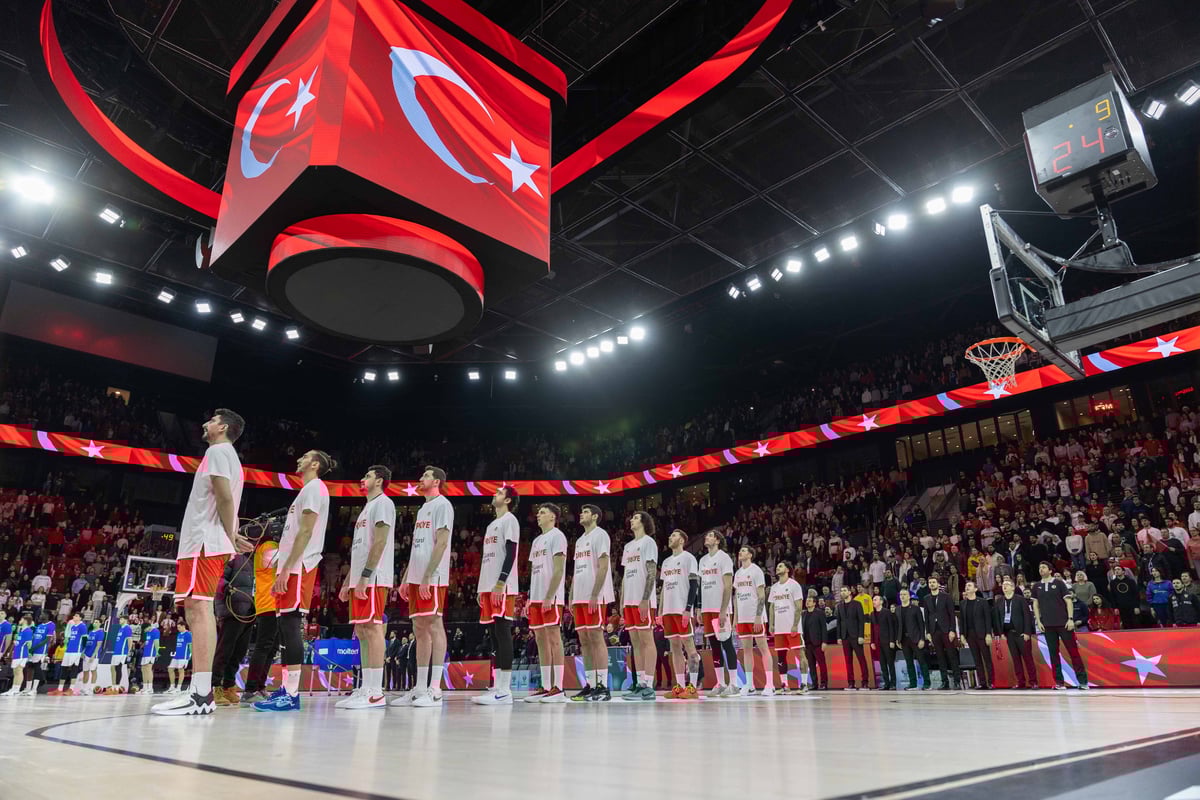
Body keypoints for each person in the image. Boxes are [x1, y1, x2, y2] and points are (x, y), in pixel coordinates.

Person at [153, 409, 252, 716]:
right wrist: (231, 533)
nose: (205, 423)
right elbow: (224, 499)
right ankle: (200, 691)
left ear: (223, 427)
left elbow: (224, 497)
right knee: (196, 608)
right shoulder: (227, 455)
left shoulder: (219, 452)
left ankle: (200, 693)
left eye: (211, 420)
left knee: (199, 607)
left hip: (204, 541)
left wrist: (229, 533)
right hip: (207, 540)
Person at [256, 450, 333, 713]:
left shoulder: (315, 488)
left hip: (299, 567)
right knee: (283, 626)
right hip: (290, 566)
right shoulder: (305, 491)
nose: (299, 459)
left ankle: (291, 693)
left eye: (305, 456)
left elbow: (307, 531)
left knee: (290, 624)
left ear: (315, 464)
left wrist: (288, 568)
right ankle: (286, 688)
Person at [338, 465, 396, 710]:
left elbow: (380, 542)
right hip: (359, 579)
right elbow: (359, 550)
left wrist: (365, 576)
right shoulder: (366, 508)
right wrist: (348, 581)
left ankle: (375, 691)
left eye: (368, 476)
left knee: (372, 629)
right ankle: (364, 687)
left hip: (373, 578)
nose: (362, 479)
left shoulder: (383, 503)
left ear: (379, 481)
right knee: (361, 631)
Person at [396, 466, 454, 708]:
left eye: (426, 476)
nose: (420, 479)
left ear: (437, 481)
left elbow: (441, 543)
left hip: (433, 576)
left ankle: (435, 688)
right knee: (418, 627)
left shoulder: (443, 505)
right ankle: (420, 687)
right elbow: (417, 547)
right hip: (416, 577)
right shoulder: (422, 509)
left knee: (434, 624)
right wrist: (406, 578)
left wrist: (428, 575)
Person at [472, 485, 521, 705]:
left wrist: (501, 582)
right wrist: (481, 587)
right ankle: (497, 686)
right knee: (493, 635)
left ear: (508, 500)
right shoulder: (492, 524)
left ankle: (505, 689)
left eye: (500, 493)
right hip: (487, 586)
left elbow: (511, 553)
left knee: (502, 632)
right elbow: (488, 559)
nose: (494, 494)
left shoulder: (510, 520)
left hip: (501, 586)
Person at [567, 504, 614, 702]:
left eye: (585, 512)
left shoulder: (600, 535)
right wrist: (571, 595)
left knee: (596, 636)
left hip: (595, 595)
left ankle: (603, 686)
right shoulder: (579, 541)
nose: (581, 514)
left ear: (595, 516)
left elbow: (603, 566)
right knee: (584, 640)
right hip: (579, 595)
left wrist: (595, 593)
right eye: (581, 511)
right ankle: (590, 684)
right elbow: (577, 570)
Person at [524, 503, 568, 703]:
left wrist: (550, 596)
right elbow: (534, 572)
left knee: (553, 637)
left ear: (553, 516)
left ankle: (558, 687)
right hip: (536, 596)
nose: (538, 515)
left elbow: (558, 570)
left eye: (542, 512)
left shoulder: (557, 536)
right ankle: (546, 685)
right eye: (538, 512)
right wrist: (530, 597)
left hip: (551, 596)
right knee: (540, 639)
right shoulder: (536, 541)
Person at [619, 511, 659, 702]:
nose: (631, 520)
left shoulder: (648, 542)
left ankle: (649, 686)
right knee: (635, 642)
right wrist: (622, 600)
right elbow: (625, 575)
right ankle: (640, 683)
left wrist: (645, 598)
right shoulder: (628, 546)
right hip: (629, 600)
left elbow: (652, 572)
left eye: (635, 517)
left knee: (646, 640)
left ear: (644, 522)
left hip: (643, 600)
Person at [1032, 561, 1089, 690]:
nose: (1041, 569)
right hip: (1047, 625)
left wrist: (1070, 619)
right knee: (1053, 654)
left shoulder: (1059, 583)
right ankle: (1059, 682)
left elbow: (1068, 601)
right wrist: (1038, 621)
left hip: (1064, 623)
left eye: (1044, 567)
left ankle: (1083, 682)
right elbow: (1035, 604)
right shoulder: (1036, 586)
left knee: (1073, 652)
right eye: (1039, 567)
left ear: (1050, 570)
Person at [698, 529, 740, 697]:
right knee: (714, 646)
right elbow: (701, 586)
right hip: (707, 609)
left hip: (720, 608)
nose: (706, 537)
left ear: (717, 540)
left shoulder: (724, 558)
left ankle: (734, 684)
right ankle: (721, 683)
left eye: (709, 535)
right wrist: (699, 608)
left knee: (727, 644)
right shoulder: (702, 560)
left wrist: (723, 610)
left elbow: (728, 586)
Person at [659, 529, 701, 699]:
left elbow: (694, 584)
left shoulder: (689, 558)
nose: (670, 537)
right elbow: (664, 589)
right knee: (674, 648)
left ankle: (692, 687)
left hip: (682, 609)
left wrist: (688, 608)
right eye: (670, 535)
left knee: (690, 647)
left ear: (682, 540)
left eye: (674, 535)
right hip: (668, 611)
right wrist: (660, 611)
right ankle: (680, 686)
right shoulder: (666, 562)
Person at [241, 536, 281, 706]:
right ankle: (250, 690)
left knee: (271, 648)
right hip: (269, 602)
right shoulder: (269, 546)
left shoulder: (268, 546)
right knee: (264, 647)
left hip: (274, 603)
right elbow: (281, 563)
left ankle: (260, 686)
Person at [734, 546, 775, 697]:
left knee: (763, 648)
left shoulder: (756, 571)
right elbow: (736, 597)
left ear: (750, 555)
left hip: (755, 616)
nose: (740, 552)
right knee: (746, 650)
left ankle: (770, 684)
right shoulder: (738, 573)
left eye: (744, 551)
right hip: (742, 618)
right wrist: (735, 618)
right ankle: (750, 685)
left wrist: (758, 616)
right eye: (740, 551)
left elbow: (761, 595)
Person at [769, 561, 805, 693]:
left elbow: (799, 607)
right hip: (779, 628)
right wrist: (771, 624)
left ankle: (804, 684)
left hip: (792, 627)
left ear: (788, 569)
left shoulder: (794, 585)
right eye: (777, 566)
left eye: (780, 566)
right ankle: (784, 685)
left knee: (800, 654)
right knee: (781, 656)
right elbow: (772, 606)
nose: (777, 568)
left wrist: (795, 625)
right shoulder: (774, 587)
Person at [921, 575, 960, 690]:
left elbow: (952, 614)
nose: (932, 584)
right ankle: (944, 682)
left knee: (952, 655)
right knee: (940, 657)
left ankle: (957, 681)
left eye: (934, 582)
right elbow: (926, 616)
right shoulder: (926, 598)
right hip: (934, 631)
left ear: (938, 584)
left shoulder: (946, 597)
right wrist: (928, 632)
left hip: (946, 630)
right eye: (930, 582)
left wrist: (952, 630)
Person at [959, 581, 995, 690]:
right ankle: (982, 682)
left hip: (982, 633)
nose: (967, 587)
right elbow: (962, 620)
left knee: (987, 658)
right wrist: (962, 634)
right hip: (970, 634)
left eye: (969, 586)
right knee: (977, 659)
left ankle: (991, 682)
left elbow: (987, 618)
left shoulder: (982, 602)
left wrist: (988, 633)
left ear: (975, 589)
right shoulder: (963, 603)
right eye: (966, 586)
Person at [895, 589, 930, 690]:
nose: (902, 596)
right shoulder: (898, 609)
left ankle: (927, 683)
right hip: (904, 639)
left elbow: (921, 624)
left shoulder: (915, 608)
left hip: (916, 638)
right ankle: (913, 683)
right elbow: (897, 625)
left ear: (909, 596)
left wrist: (922, 639)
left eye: (904, 594)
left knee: (921, 661)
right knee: (909, 662)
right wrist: (898, 639)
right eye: (901, 594)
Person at [837, 586, 869, 690]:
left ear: (849, 592)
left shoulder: (857, 604)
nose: (842, 592)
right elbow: (839, 622)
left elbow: (861, 620)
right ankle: (851, 682)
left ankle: (865, 682)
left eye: (844, 590)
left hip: (856, 636)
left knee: (861, 659)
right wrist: (839, 637)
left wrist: (861, 635)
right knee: (848, 661)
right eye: (841, 591)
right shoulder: (839, 606)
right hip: (845, 636)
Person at [53, 613, 87, 695]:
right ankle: (59, 689)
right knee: (64, 668)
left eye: (76, 616)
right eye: (74, 616)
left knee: (73, 669)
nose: (74, 617)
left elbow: (85, 639)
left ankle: (71, 689)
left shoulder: (82, 626)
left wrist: (83, 651)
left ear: (80, 618)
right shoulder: (73, 627)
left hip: (76, 651)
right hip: (69, 650)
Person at [800, 595, 829, 690]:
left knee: (822, 664)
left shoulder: (819, 613)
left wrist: (824, 641)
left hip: (818, 643)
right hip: (807, 644)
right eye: (807, 600)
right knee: (811, 666)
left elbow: (824, 628)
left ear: (814, 603)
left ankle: (824, 683)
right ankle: (814, 683)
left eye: (809, 600)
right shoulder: (803, 614)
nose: (807, 602)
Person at [2, 615, 34, 696]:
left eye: (21, 619)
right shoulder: (21, 630)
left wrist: (27, 648)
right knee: (15, 671)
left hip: (22, 654)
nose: (19, 620)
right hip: (17, 653)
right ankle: (13, 688)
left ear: (25, 620)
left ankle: (16, 689)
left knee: (19, 671)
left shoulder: (28, 631)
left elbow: (29, 644)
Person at [871, 595, 898, 691]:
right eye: (873, 600)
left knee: (890, 663)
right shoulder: (872, 614)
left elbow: (891, 627)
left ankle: (893, 683)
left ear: (881, 602)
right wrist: (872, 642)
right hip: (877, 642)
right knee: (882, 664)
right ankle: (886, 683)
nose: (873, 601)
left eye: (875, 600)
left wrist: (892, 640)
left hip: (887, 641)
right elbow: (872, 629)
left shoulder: (887, 612)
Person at [79, 619, 105, 695]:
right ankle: (84, 688)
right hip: (86, 654)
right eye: (94, 622)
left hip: (94, 655)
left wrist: (93, 655)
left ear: (100, 623)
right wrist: (83, 652)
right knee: (85, 671)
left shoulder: (100, 632)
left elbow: (98, 645)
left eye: (97, 622)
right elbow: (87, 644)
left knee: (93, 671)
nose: (95, 623)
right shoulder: (90, 632)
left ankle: (91, 689)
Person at [136, 619, 161, 695]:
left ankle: (150, 688)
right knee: (143, 669)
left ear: (148, 627)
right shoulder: (148, 632)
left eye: (145, 629)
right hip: (145, 653)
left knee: (148, 669)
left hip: (151, 653)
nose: (144, 631)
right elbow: (147, 642)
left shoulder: (155, 631)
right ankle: (145, 687)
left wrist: (157, 652)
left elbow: (156, 642)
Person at [110, 616, 133, 691]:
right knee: (112, 668)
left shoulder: (127, 628)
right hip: (116, 651)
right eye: (120, 619)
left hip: (122, 652)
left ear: (126, 620)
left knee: (118, 668)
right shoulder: (120, 628)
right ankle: (113, 686)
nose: (120, 620)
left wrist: (128, 651)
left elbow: (130, 640)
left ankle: (117, 687)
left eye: (121, 619)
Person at [168, 622, 192, 694]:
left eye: (179, 627)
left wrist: (190, 655)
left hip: (183, 656)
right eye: (177, 627)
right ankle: (172, 687)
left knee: (180, 670)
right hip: (177, 655)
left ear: (183, 626)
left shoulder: (188, 634)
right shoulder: (179, 634)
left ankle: (178, 688)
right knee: (170, 669)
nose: (178, 629)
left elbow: (190, 645)